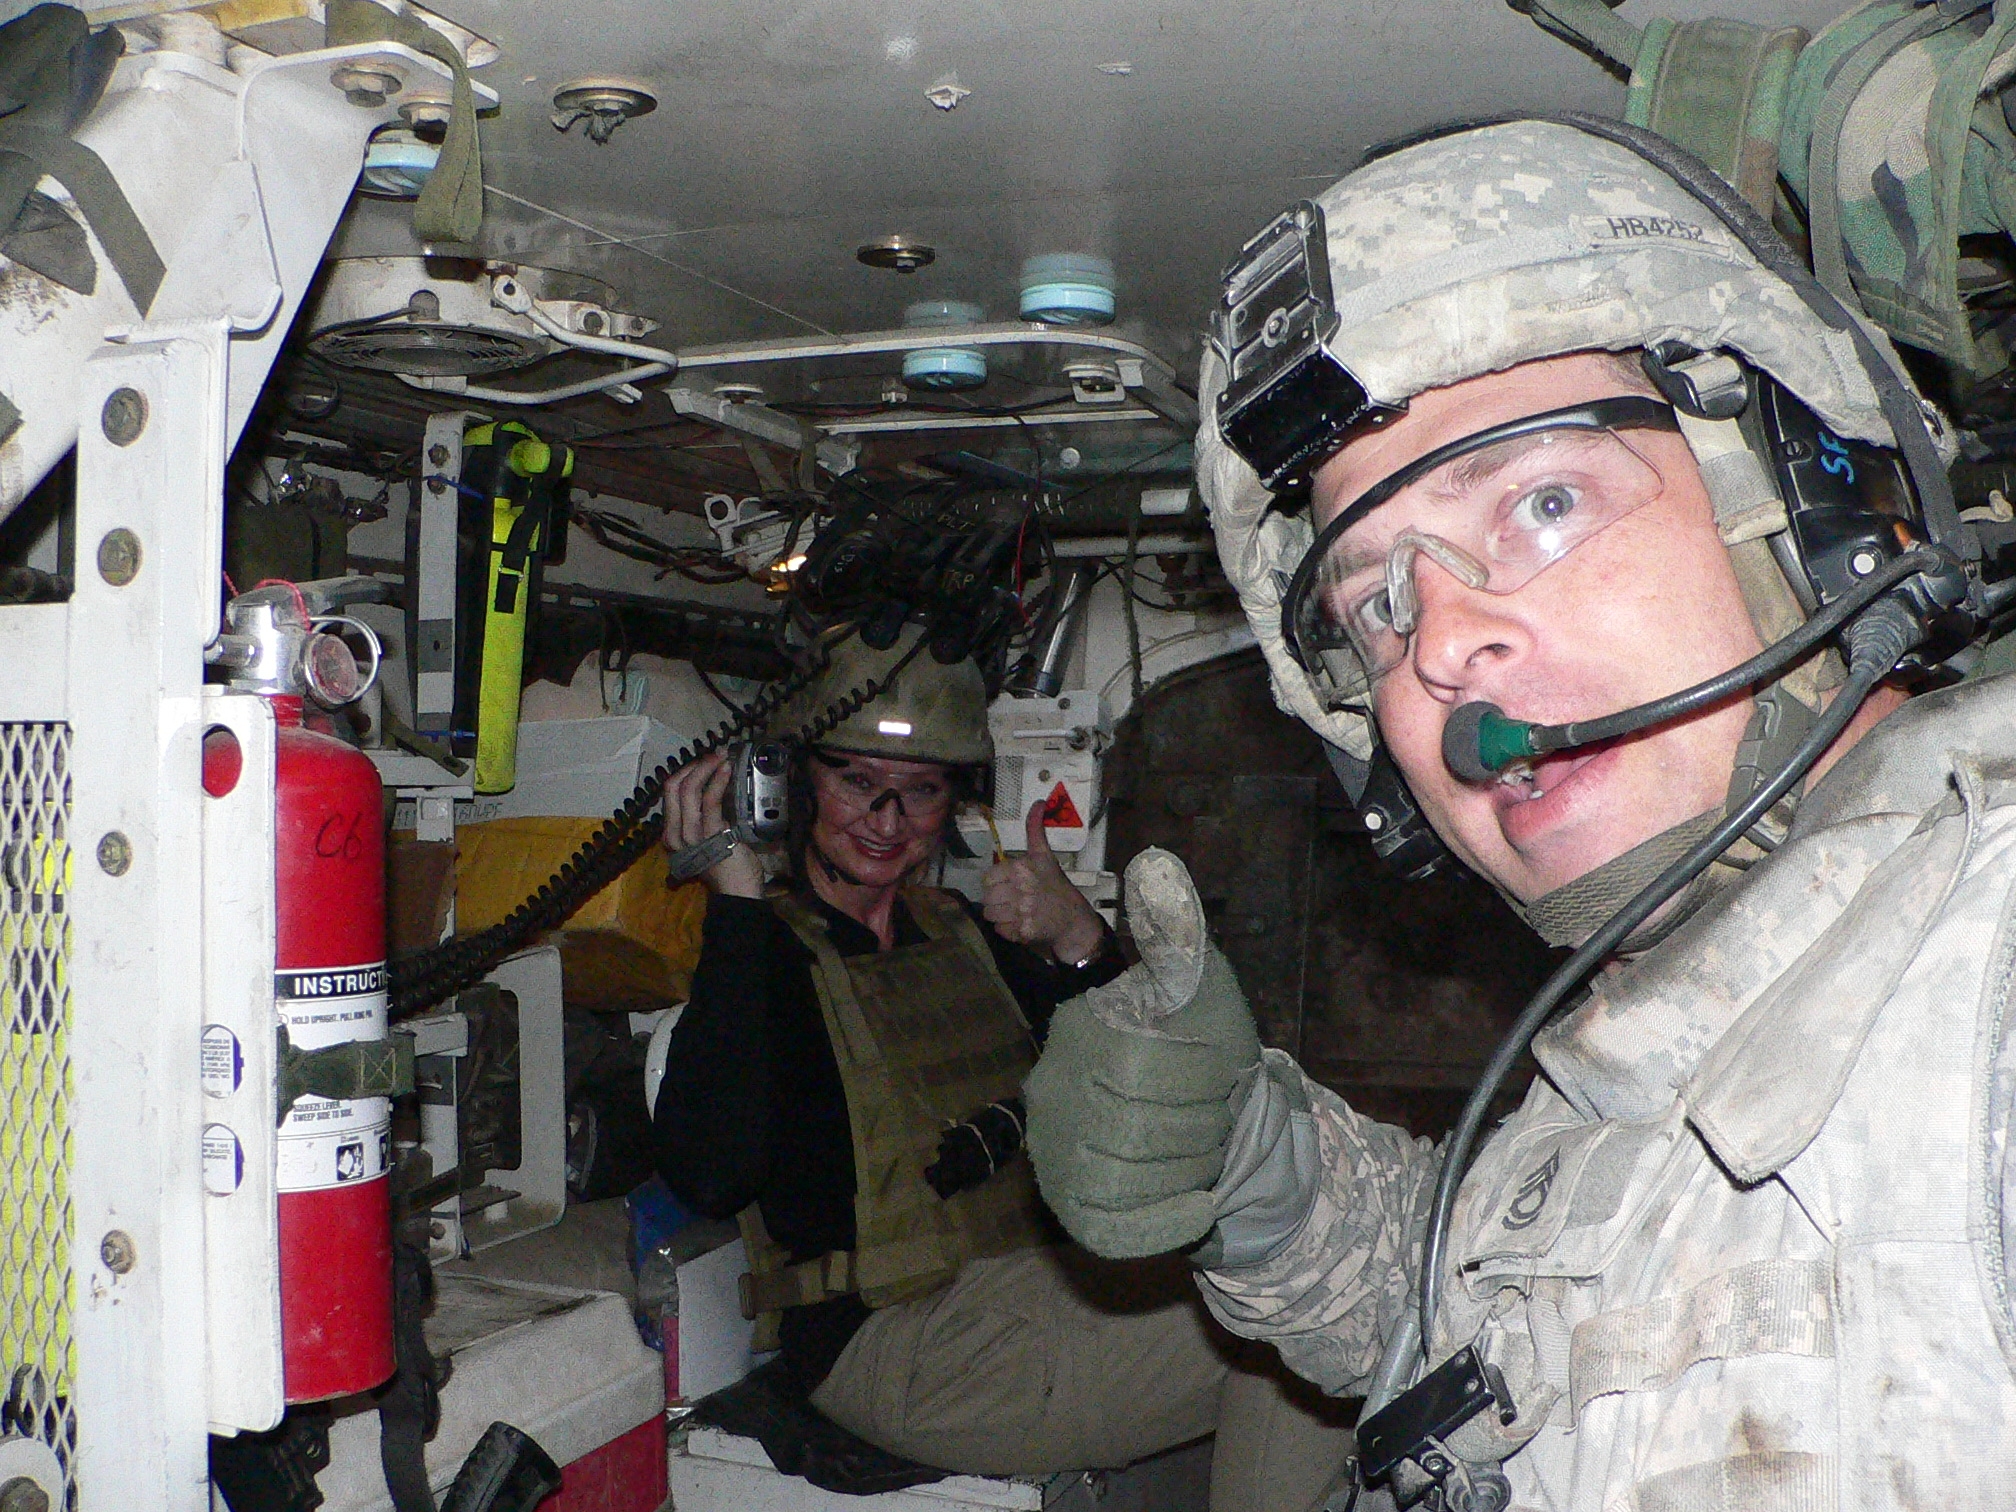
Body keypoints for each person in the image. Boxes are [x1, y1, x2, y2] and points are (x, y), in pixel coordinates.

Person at [1023, 116, 2016, 1510]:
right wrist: (1264, 1172)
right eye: (1378, 601)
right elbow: (1533, 1322)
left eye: (1545, 500)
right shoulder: (1662, 1014)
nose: (1438, 649)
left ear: (1815, 502)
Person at [651, 625, 1354, 1509]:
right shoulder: (768, 962)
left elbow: (1153, 1098)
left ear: (952, 806)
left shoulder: (967, 938)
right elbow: (710, 1172)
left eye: (921, 791)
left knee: (1323, 1272)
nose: (887, 819)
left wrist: (1078, 939)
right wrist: (739, 908)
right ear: (797, 786)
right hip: (896, 1341)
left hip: (1035, 1288)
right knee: (1301, 1321)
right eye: (856, 782)